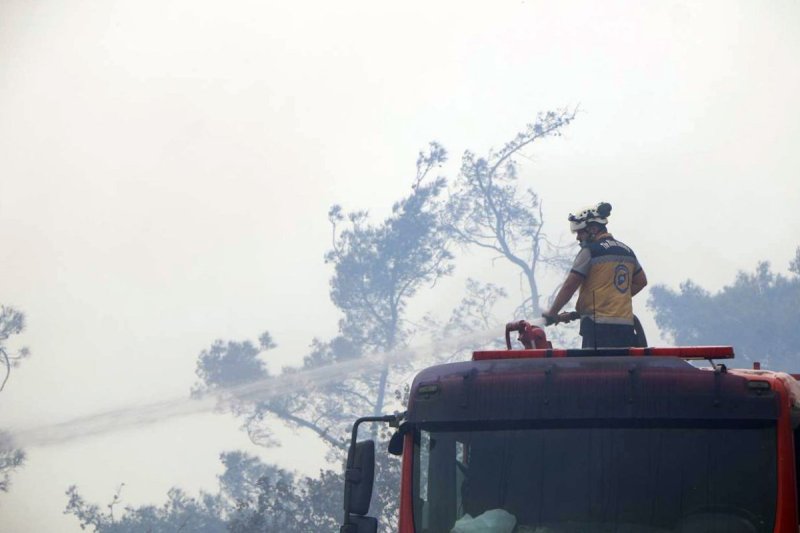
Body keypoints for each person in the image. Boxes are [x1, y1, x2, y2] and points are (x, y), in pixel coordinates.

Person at [542, 202, 647, 348]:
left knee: (595, 369)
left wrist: (552, 313)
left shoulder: (590, 251)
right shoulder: (627, 251)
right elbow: (641, 281)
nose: (578, 237)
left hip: (597, 329)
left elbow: (570, 285)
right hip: (626, 327)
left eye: (580, 232)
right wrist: (615, 298)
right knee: (622, 369)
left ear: (593, 229)